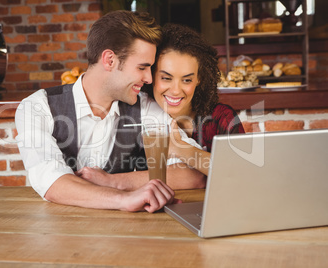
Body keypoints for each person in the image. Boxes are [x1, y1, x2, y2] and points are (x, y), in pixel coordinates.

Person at [15, 11, 206, 213]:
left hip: (123, 234)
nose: (149, 78)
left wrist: (115, 182)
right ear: (109, 60)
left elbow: (194, 173)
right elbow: (51, 181)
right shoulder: (37, 107)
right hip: (57, 231)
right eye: (142, 67)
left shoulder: (146, 108)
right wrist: (124, 199)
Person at [143, 23, 245, 176]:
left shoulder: (221, 118)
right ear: (151, 75)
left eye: (187, 80)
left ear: (199, 79)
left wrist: (180, 148)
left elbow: (242, 174)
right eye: (166, 78)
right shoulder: (138, 113)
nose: (176, 90)